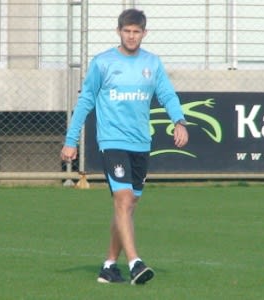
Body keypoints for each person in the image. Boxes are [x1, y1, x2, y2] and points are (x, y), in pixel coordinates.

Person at [60, 8, 189, 285]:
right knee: (123, 199)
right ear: (118, 31)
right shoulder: (103, 63)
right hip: (112, 141)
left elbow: (166, 93)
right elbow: (85, 102)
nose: (131, 36)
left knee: (129, 206)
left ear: (144, 33)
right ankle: (135, 263)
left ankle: (108, 266)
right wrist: (71, 141)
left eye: (136, 31)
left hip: (141, 143)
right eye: (127, 31)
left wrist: (179, 120)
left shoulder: (152, 63)